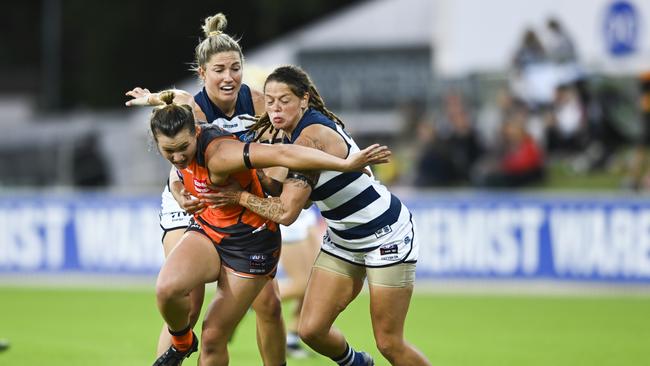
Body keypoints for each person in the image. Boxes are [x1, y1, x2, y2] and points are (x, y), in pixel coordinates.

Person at [204, 65, 431, 366]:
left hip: (385, 235)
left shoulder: (310, 139)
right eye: (270, 101)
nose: (275, 108)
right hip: (343, 238)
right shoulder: (289, 138)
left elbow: (285, 212)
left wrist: (238, 195)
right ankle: (358, 363)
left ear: (304, 100)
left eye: (284, 99)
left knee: (389, 342)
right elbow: (279, 186)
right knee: (311, 329)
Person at [147, 89, 390, 365]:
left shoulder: (221, 154)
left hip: (250, 241)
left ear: (195, 134)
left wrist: (345, 164)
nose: (178, 157)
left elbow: (283, 153)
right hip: (211, 227)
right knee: (166, 289)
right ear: (157, 143)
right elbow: (180, 117)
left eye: (183, 149)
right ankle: (182, 342)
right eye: (169, 151)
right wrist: (178, 189)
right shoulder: (181, 126)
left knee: (216, 334)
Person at [125, 12, 286, 365]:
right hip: (188, 199)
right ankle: (178, 350)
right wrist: (179, 189)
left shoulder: (260, 104)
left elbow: (282, 146)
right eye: (219, 70)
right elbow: (179, 164)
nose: (229, 77)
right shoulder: (193, 107)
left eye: (235, 68)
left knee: (270, 305)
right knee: (187, 299)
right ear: (203, 74)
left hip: (233, 207)